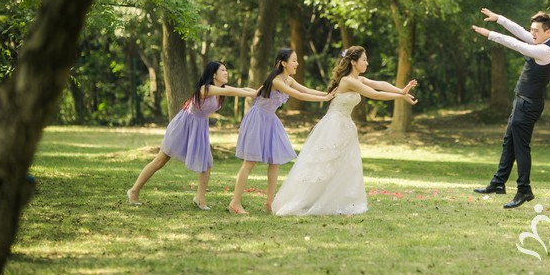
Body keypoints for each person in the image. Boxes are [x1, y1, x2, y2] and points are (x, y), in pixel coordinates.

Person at [271, 46, 417, 216]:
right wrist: (401, 96)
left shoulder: (357, 79)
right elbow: (375, 94)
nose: (367, 63)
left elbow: (378, 84)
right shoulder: (348, 81)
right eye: (364, 60)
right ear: (353, 62)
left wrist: (401, 90)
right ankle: (306, 199)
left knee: (343, 166)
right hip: (334, 126)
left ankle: (333, 200)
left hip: (346, 126)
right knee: (324, 165)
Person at [127, 61, 257, 210]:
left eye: (226, 70)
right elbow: (232, 92)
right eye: (222, 70)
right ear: (214, 74)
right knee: (160, 160)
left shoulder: (221, 89)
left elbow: (240, 89)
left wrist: (259, 91)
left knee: (207, 163)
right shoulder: (205, 89)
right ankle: (134, 191)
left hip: (199, 127)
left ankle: (200, 198)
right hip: (184, 125)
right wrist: (253, 94)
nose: (226, 73)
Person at [229, 48, 336, 215]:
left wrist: (329, 94)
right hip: (258, 119)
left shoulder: (288, 80)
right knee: (249, 162)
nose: (297, 63)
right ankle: (235, 202)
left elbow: (306, 90)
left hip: (270, 120)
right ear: (284, 63)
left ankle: (270, 202)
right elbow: (299, 96)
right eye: (294, 60)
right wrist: (325, 99)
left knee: (275, 161)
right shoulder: (277, 81)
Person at [471, 8, 550, 209]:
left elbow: (516, 44)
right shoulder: (538, 41)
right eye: (531, 29)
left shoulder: (545, 51)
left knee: (521, 147)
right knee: (509, 143)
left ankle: (524, 190)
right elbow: (519, 32)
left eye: (536, 30)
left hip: (528, 105)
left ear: (548, 32)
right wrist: (499, 19)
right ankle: (498, 183)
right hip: (521, 102)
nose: (532, 33)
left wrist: (490, 34)